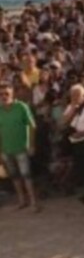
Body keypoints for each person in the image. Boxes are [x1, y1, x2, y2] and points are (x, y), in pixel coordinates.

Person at [0, 83, 40, 212]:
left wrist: (31, 145)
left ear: (12, 94)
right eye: (1, 94)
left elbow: (32, 126)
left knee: (26, 175)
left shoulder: (21, 107)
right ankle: (22, 201)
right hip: (5, 149)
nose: (4, 96)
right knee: (14, 176)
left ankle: (33, 202)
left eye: (6, 93)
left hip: (22, 147)